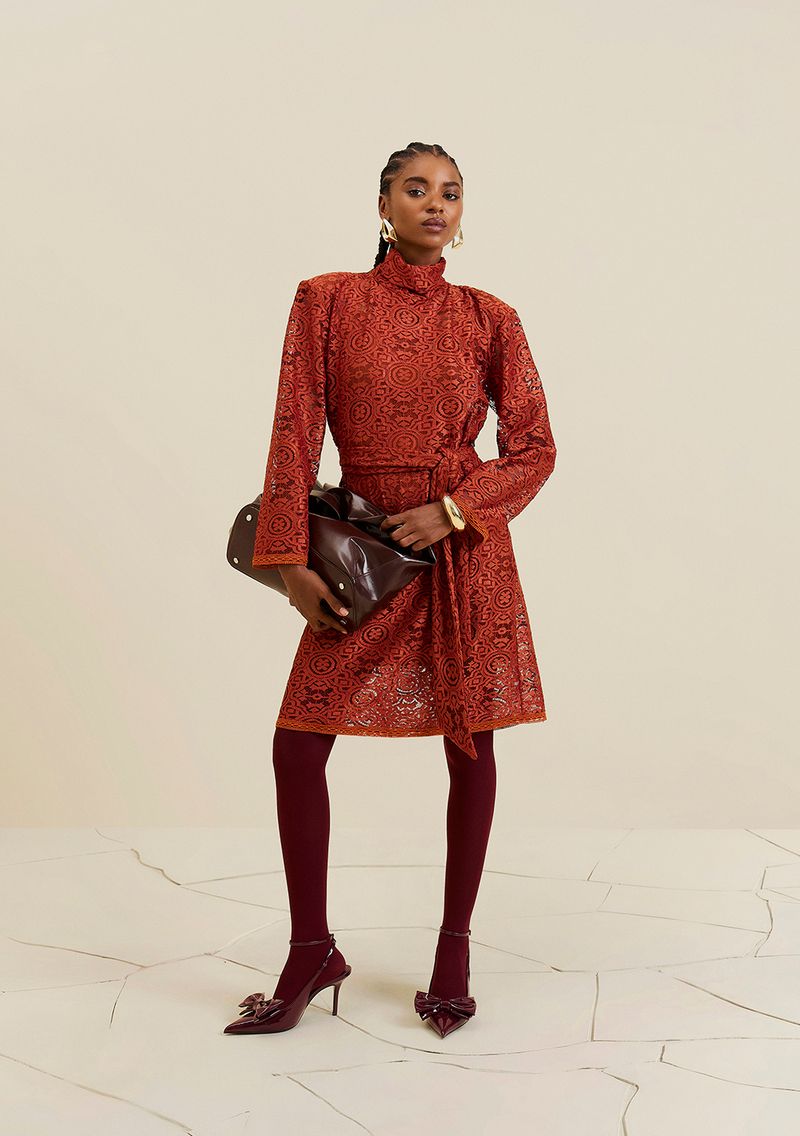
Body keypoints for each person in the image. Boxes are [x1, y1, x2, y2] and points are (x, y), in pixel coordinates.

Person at [223, 142, 557, 1039]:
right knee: (298, 746)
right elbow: (294, 430)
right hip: (363, 555)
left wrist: (453, 511)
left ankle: (454, 954)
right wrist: (288, 564)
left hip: (459, 556)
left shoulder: (491, 317)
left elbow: (535, 447)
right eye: (416, 190)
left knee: (471, 749)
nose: (435, 205)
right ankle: (310, 951)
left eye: (451, 193)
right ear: (384, 204)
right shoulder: (325, 300)